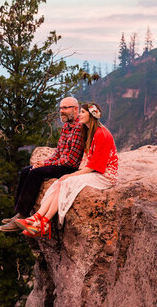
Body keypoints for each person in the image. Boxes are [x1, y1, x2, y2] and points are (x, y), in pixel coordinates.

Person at [14, 102, 118, 238]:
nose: (79, 115)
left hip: (104, 175)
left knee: (66, 182)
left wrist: (72, 175)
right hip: (94, 171)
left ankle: (44, 223)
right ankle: (36, 218)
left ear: (91, 116)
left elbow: (95, 166)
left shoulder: (102, 134)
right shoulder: (89, 132)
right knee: (58, 183)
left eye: (82, 112)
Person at [0, 97, 85, 232]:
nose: (61, 111)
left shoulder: (79, 128)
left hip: (70, 167)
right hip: (61, 163)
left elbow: (70, 160)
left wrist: (47, 166)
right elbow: (58, 152)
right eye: (61, 108)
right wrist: (44, 162)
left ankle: (23, 214)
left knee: (35, 173)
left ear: (75, 109)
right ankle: (17, 213)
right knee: (27, 170)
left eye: (65, 108)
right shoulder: (66, 127)